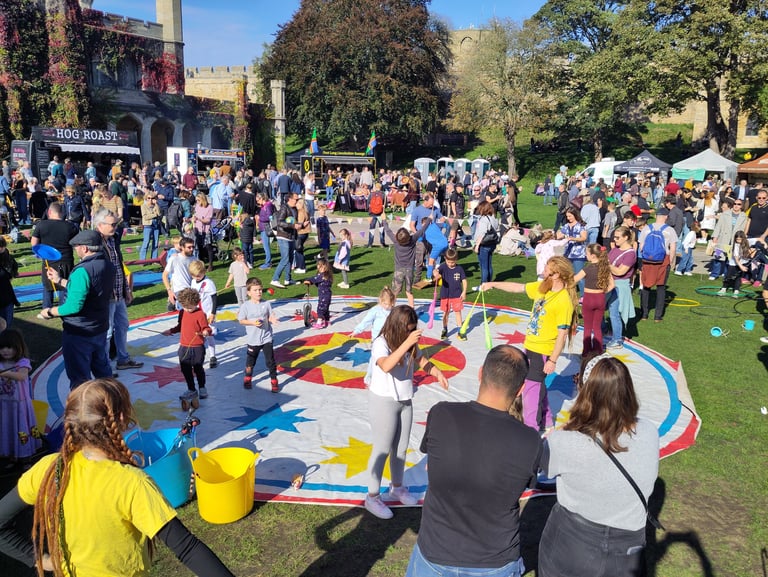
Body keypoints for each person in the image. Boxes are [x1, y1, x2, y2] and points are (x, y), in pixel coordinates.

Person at [0, 377, 235, 576]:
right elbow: (186, 548)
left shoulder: (49, 467)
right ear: (121, 420)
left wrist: (42, 561)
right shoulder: (131, 483)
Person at [405, 345, 542, 577]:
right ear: (520, 390)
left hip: (435, 555)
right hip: (494, 562)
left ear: (480, 374)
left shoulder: (441, 414)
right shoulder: (530, 441)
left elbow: (435, 464)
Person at [538, 356, 659, 577]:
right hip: (628, 552)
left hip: (571, 546)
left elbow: (541, 464)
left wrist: (558, 432)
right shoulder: (649, 432)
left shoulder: (565, 441)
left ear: (585, 393)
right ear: (627, 392)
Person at [364, 305, 449, 520]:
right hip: (383, 401)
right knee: (382, 449)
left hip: (405, 400)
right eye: (408, 330)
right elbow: (386, 365)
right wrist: (407, 343)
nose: (412, 333)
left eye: (413, 330)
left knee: (401, 448)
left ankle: (397, 487)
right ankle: (372, 497)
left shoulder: (409, 342)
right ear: (398, 327)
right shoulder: (381, 343)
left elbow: (421, 360)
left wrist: (436, 372)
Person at [481, 256, 578, 432]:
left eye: (547, 269)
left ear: (557, 275)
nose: (543, 271)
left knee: (530, 391)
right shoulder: (543, 288)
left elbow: (562, 335)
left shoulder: (564, 301)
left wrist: (553, 360)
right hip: (531, 346)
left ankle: (530, 430)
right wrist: (493, 284)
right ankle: (546, 419)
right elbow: (519, 288)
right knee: (537, 385)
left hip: (543, 351)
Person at [40, 229, 115, 389]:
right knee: (104, 373)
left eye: (77, 247)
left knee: (80, 380)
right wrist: (60, 280)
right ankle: (114, 403)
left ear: (85, 248)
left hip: (80, 332)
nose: (76, 250)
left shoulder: (82, 271)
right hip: (99, 327)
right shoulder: (108, 265)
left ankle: (84, 410)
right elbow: (91, 289)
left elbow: (73, 306)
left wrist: (50, 312)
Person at [94, 209, 144, 373]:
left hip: (119, 293)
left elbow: (119, 267)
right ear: (100, 225)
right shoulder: (94, 243)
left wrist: (126, 289)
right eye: (113, 224)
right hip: (106, 296)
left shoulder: (113, 239)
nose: (116, 227)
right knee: (107, 332)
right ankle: (105, 365)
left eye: (117, 224)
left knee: (122, 326)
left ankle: (122, 359)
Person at [162, 288, 212, 407]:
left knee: (198, 368)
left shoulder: (200, 314)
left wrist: (205, 331)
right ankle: (191, 389)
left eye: (191, 307)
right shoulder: (182, 312)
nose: (188, 310)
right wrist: (170, 331)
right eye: (186, 307)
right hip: (184, 347)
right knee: (185, 369)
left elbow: (206, 328)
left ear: (196, 303)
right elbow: (180, 326)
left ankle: (202, 387)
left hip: (198, 347)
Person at [0, 329, 41, 465]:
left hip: (20, 405)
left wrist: (4, 374)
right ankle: (11, 454)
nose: (5, 351)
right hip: (4, 405)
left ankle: (25, 456)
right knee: (8, 429)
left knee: (22, 429)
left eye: (9, 347)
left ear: (18, 347)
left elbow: (22, 376)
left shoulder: (22, 362)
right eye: (2, 348)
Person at [31, 202, 77, 311]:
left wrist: (39, 254)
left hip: (48, 260)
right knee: (63, 283)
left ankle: (46, 308)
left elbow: (34, 243)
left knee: (48, 284)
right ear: (62, 213)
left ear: (49, 212)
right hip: (65, 261)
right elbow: (77, 244)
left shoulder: (41, 225)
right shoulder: (70, 226)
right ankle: (63, 307)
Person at [238, 278, 279, 393]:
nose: (258, 292)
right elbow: (241, 320)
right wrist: (252, 322)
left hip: (266, 337)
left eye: (260, 290)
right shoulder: (245, 306)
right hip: (253, 339)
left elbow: (270, 315)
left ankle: (274, 380)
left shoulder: (266, 304)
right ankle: (248, 377)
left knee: (270, 361)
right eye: (255, 290)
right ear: (249, 292)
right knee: (251, 361)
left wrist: (273, 319)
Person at [573, 244, 615, 355]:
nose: (585, 255)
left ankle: (586, 351)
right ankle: (598, 350)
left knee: (587, 327)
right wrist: (603, 292)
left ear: (592, 256)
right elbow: (612, 285)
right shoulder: (605, 268)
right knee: (597, 327)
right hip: (600, 298)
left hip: (589, 299)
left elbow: (575, 279)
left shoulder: (587, 268)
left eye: (586, 253)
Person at [638, 209, 677, 322]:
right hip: (663, 260)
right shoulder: (670, 230)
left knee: (646, 286)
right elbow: (673, 248)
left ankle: (644, 314)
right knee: (661, 287)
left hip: (648, 260)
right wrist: (672, 262)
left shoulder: (646, 228)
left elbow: (641, 246)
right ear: (666, 217)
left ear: (656, 216)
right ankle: (657, 316)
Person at [606, 226, 637, 349]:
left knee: (615, 313)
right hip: (609, 283)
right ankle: (607, 330)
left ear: (626, 238)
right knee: (603, 308)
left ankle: (617, 339)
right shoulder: (615, 249)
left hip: (620, 285)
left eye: (618, 237)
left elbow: (620, 272)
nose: (615, 239)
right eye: (614, 236)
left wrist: (606, 265)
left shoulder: (630, 254)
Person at [383, 220, 425, 308]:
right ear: (408, 236)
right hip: (409, 270)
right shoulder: (413, 240)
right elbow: (422, 230)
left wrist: (384, 220)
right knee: (409, 291)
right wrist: (429, 219)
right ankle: (412, 308)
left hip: (399, 270)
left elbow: (388, 230)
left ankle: (391, 307)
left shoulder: (396, 241)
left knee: (395, 292)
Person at [189, 260, 219, 369]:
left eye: (198, 275)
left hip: (207, 314)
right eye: (194, 275)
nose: (196, 277)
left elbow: (214, 298)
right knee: (198, 335)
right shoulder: (192, 282)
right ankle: (199, 357)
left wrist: (213, 313)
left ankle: (213, 356)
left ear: (203, 271)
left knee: (209, 335)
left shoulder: (209, 283)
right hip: (197, 314)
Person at [433, 248, 467, 341]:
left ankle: (460, 331)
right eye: (449, 262)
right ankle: (444, 329)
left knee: (458, 312)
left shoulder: (459, 268)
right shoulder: (443, 267)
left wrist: (464, 292)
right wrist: (435, 272)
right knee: (446, 313)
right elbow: (436, 271)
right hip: (445, 295)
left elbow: (464, 280)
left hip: (457, 295)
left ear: (456, 260)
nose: (451, 264)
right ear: (445, 259)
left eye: (453, 262)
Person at [271, 192, 303, 289]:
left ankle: (287, 279)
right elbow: (280, 222)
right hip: (283, 236)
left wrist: (300, 225)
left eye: (298, 199)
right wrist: (293, 226)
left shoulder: (294, 209)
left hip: (291, 236)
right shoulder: (284, 208)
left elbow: (294, 222)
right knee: (285, 258)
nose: (297, 201)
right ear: (289, 199)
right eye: (296, 199)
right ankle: (275, 279)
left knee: (290, 259)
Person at [557, 207, 588, 294]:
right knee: (567, 275)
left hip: (578, 255)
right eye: (567, 216)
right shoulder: (566, 226)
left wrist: (573, 239)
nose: (568, 218)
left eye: (570, 216)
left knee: (579, 275)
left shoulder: (581, 226)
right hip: (567, 254)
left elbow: (584, 237)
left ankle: (583, 296)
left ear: (575, 215)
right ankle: (568, 292)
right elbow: (560, 235)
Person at [162, 236, 195, 310]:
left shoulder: (194, 258)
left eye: (193, 247)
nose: (192, 249)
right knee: (187, 310)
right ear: (182, 247)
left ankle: (173, 304)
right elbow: (164, 275)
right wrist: (169, 291)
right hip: (180, 290)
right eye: (189, 247)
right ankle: (173, 303)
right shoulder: (174, 258)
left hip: (192, 289)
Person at [719, 230, 753, 298]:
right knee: (729, 276)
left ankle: (736, 291)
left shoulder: (748, 242)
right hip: (734, 263)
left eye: (740, 239)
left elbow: (758, 240)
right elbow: (736, 259)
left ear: (743, 238)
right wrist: (741, 267)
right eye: (737, 239)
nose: (738, 241)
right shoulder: (736, 246)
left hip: (743, 262)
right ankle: (724, 289)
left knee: (738, 277)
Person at [473, 200, 499, 284]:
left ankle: (483, 284)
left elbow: (482, 233)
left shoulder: (484, 219)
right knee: (489, 264)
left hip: (484, 244)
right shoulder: (494, 218)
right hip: (492, 243)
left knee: (483, 266)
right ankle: (489, 282)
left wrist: (477, 246)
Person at [303, 258, 333, 329]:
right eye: (319, 266)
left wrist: (308, 280)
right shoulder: (327, 276)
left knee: (320, 309)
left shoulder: (322, 276)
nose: (320, 268)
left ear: (326, 267)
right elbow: (317, 281)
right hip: (327, 294)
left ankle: (319, 323)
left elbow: (314, 279)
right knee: (325, 309)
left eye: (322, 266)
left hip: (324, 295)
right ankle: (327, 321)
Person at [0, 238, 20, 327]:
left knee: (7, 323)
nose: (0, 248)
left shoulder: (8, 256)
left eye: (2, 246)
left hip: (6, 294)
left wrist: (11, 276)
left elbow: (14, 268)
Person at [193, 192, 214, 272]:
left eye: (198, 200)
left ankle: (210, 264)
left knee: (208, 246)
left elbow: (208, 220)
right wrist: (194, 219)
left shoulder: (209, 207)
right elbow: (195, 215)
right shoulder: (197, 206)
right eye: (196, 200)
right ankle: (202, 264)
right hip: (198, 228)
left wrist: (199, 219)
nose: (197, 202)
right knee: (199, 247)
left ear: (202, 199)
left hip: (206, 229)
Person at [139, 191, 161, 260]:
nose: (150, 200)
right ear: (146, 198)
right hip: (148, 225)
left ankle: (154, 259)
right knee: (146, 242)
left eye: (152, 198)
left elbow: (159, 214)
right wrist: (154, 215)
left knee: (156, 243)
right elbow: (145, 217)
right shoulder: (143, 206)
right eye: (149, 198)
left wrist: (156, 204)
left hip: (156, 225)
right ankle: (142, 260)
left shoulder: (155, 205)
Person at [256, 192, 275, 269]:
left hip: (265, 228)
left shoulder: (268, 206)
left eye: (258, 200)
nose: (257, 202)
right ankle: (268, 262)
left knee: (266, 246)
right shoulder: (264, 206)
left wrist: (260, 218)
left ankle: (268, 263)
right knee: (265, 246)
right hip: (262, 228)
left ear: (262, 198)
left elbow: (270, 217)